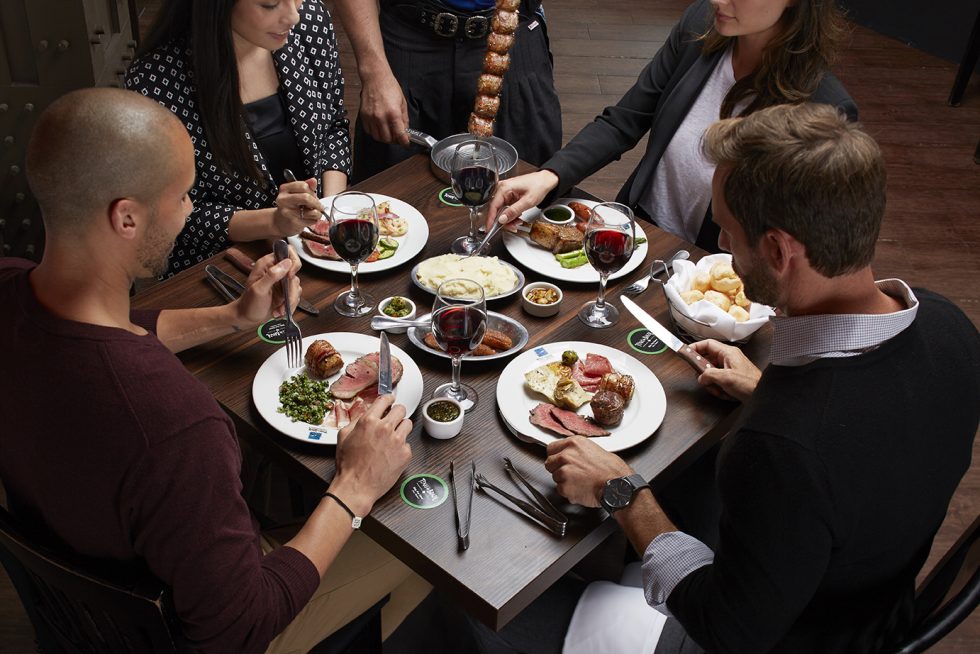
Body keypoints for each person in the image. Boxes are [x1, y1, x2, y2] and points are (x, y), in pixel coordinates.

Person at [467, 103, 980, 653]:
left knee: (466, 608)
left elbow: (728, 630)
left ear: (778, 250)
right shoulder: (951, 327)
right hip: (869, 604)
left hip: (772, 637)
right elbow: (864, 445)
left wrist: (622, 492)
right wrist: (765, 392)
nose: (725, 250)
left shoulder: (783, 447)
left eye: (728, 234)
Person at [0, 88, 422, 654]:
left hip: (78, 586)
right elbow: (238, 628)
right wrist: (354, 489)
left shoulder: (11, 286)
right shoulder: (175, 426)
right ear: (126, 217)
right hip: (192, 633)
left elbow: (104, 330)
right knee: (417, 542)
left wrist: (231, 318)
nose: (189, 209)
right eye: (182, 195)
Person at [486, 0, 857, 252]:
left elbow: (789, 242)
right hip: (639, 232)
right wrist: (549, 175)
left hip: (709, 268)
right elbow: (624, 120)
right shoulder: (701, 24)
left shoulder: (825, 107)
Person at [126, 0, 350, 276]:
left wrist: (328, 213)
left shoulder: (311, 21)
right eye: (270, 4)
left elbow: (333, 126)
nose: (293, 16)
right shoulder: (155, 81)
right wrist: (273, 222)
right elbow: (175, 213)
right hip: (223, 265)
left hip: (318, 252)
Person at [333, 0, 562, 183]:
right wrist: (374, 72)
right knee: (388, 201)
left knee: (530, 199)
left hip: (513, 33)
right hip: (410, 35)